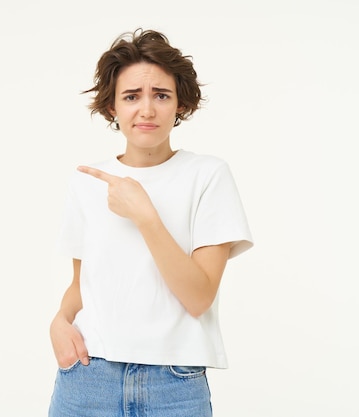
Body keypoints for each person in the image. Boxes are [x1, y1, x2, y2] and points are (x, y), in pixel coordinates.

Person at [48, 28, 253, 417]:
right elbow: (80, 285)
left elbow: (198, 298)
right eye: (131, 96)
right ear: (112, 108)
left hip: (173, 384)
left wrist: (145, 214)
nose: (146, 110)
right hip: (87, 378)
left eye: (161, 95)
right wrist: (58, 321)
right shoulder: (88, 182)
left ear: (180, 104)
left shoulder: (207, 176)